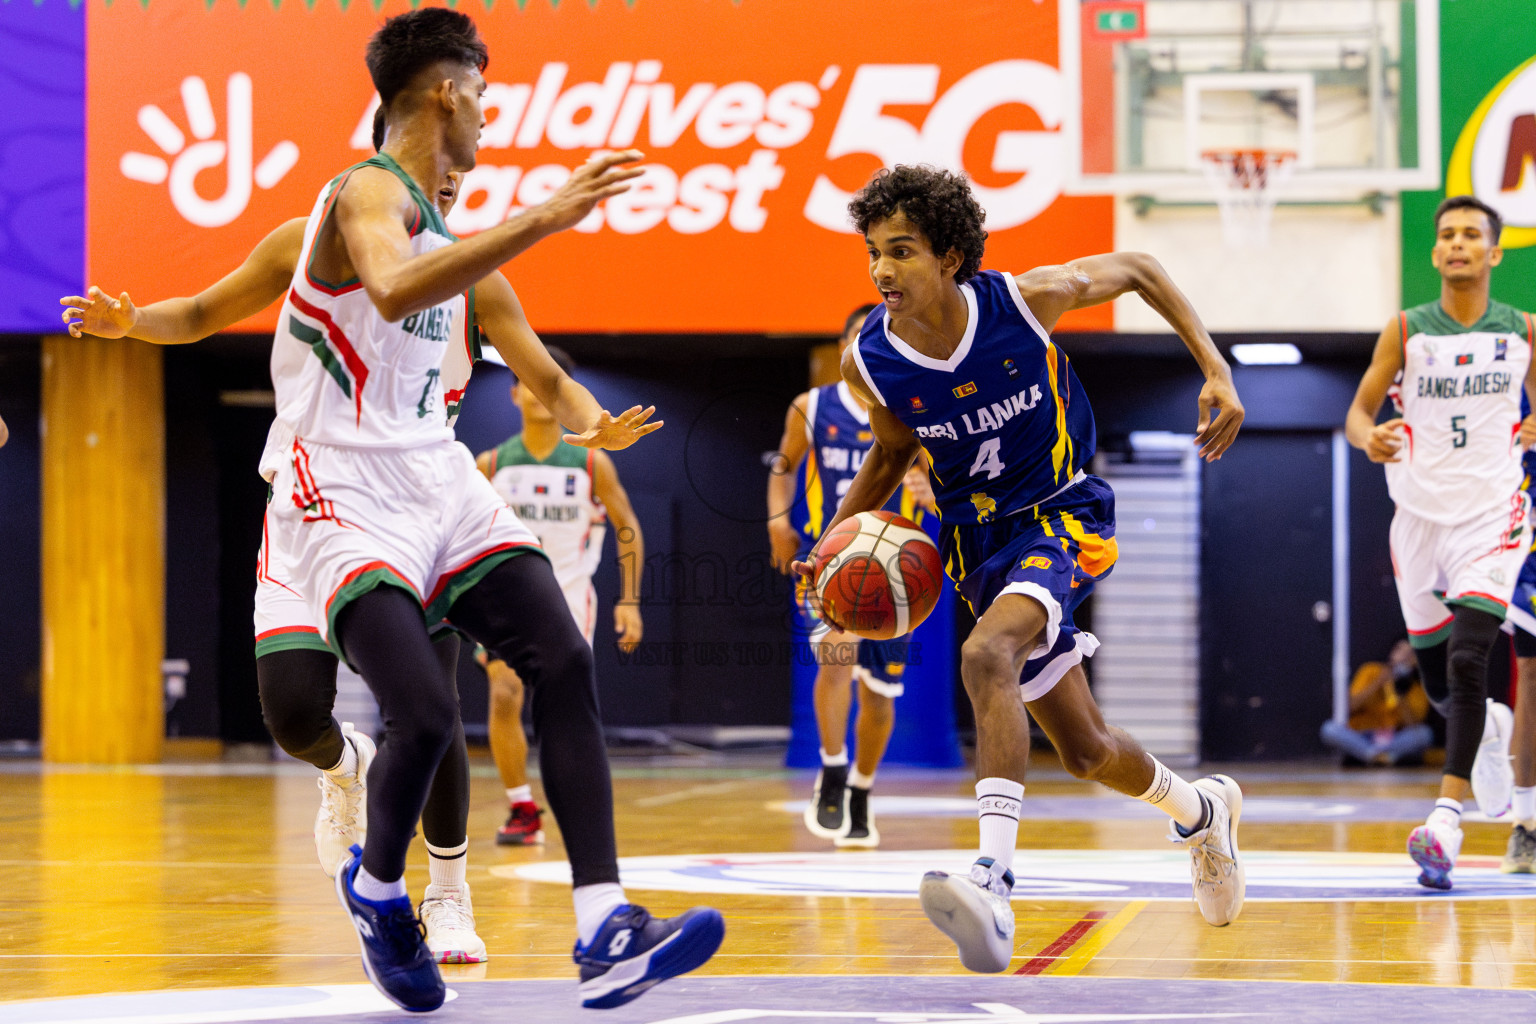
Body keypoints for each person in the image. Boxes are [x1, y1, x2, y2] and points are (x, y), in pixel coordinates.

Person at [794, 164, 1247, 975]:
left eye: (901, 250)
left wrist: (1213, 367)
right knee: (1084, 748)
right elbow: (895, 452)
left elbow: (1140, 268)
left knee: (983, 655)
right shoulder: (869, 357)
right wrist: (828, 546)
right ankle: (1202, 811)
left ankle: (994, 878)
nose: (882, 269)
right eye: (873, 253)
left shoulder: (1024, 301)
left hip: (1062, 512)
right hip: (975, 541)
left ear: (950, 257)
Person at [62, 142, 494, 965]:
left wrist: (578, 413)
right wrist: (131, 323)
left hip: (416, 509)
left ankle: (447, 895)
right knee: (294, 712)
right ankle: (344, 768)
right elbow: (196, 313)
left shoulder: (466, 278)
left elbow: (540, 366)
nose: (441, 182)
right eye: (425, 167)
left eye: (453, 173)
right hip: (309, 500)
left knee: (432, 712)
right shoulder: (301, 243)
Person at [1345, 193, 1535, 890]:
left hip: (1493, 516)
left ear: (1493, 253)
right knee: (1436, 680)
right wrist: (1373, 440)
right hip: (1418, 518)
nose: (1457, 243)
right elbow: (1359, 415)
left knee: (1467, 658)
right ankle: (1486, 729)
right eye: (1447, 234)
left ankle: (1444, 823)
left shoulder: (1524, 331)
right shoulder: (1406, 331)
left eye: (1470, 234)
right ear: (1435, 253)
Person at [768, 303, 936, 848]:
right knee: (835, 656)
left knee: (881, 692)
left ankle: (862, 788)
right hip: (832, 561)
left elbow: (945, 482)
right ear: (845, 348)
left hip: (895, 574)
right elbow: (784, 467)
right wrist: (777, 519)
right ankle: (833, 766)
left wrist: (930, 493)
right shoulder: (811, 407)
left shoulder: (915, 407)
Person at [475, 346, 646, 847]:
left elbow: (627, 527)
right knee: (505, 692)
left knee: (560, 706)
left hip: (569, 598)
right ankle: (522, 807)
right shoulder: (491, 464)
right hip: (505, 599)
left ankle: (574, 806)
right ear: (512, 393)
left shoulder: (591, 465)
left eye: (542, 381)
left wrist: (630, 601)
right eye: (523, 381)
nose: (532, 390)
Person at [1319, 641, 1433, 766]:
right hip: (1362, 735)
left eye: (1411, 654)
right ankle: (1377, 756)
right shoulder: (1370, 670)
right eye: (1400, 650)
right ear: (1392, 653)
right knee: (1329, 729)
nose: (1405, 657)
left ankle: (1370, 756)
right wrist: (1377, 683)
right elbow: (1351, 707)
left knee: (1425, 733)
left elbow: (1412, 726)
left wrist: (1401, 695)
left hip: (1393, 739)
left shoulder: (1417, 688)